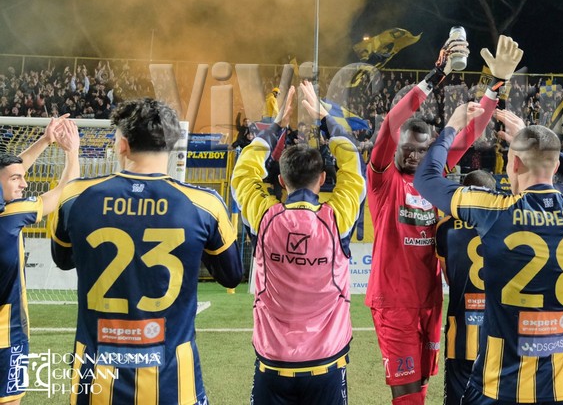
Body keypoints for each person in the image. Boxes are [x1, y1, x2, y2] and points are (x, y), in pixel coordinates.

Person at [50, 98, 242, 404]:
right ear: (172, 145)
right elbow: (231, 276)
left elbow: (62, 259)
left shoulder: (76, 197)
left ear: (123, 145)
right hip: (174, 383)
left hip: (95, 381)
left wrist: (72, 156)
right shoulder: (204, 205)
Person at [366, 35, 522, 405]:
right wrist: (435, 77)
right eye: (407, 148)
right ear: (396, 148)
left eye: (423, 150)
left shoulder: (431, 180)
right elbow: (390, 124)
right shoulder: (383, 179)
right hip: (394, 301)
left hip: (430, 299)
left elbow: (470, 133)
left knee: (421, 386)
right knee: (407, 395)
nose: (414, 155)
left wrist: (495, 87)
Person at [415, 103, 563, 405]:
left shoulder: (496, 210)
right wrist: (535, 139)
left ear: (513, 164)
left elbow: (425, 178)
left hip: (497, 388)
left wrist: (452, 126)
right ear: (555, 167)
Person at [231, 82, 366, 404]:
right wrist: (326, 118)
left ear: (281, 180)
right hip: (327, 361)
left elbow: (243, 173)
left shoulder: (264, 217)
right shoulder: (337, 217)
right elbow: (353, 168)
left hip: (272, 361)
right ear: (323, 179)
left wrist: (276, 126)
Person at [0, 117, 80, 404]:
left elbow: (12, 170)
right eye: (16, 179)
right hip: (6, 333)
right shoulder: (11, 215)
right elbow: (65, 191)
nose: (24, 183)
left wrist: (46, 140)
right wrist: (72, 152)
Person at [434, 169, 495, 405]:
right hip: (499, 335)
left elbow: (449, 277)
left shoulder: (445, 226)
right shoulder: (506, 223)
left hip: (461, 332)